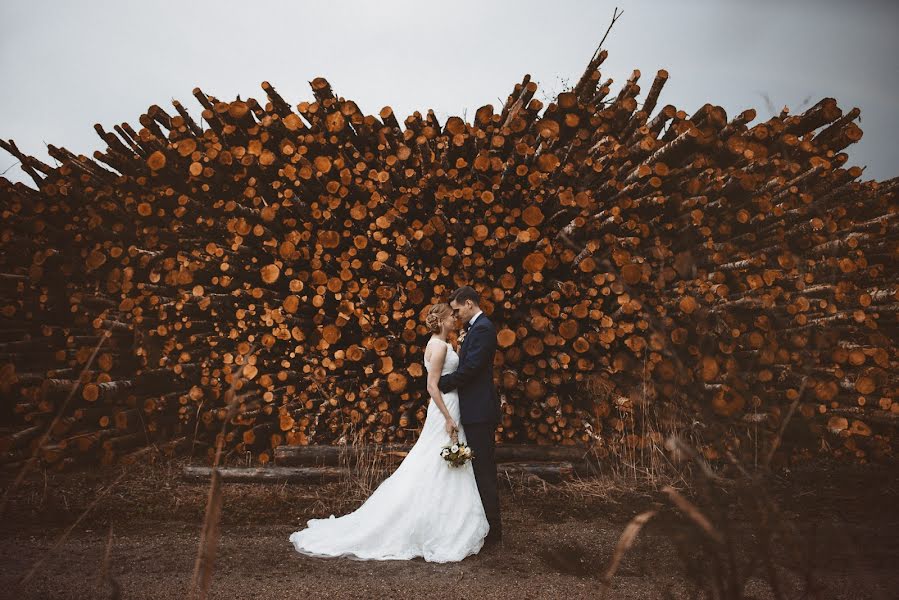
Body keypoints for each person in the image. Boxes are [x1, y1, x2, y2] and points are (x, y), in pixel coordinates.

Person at [288, 302, 489, 563]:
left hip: (453, 404)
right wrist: (449, 417)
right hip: (445, 407)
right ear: (440, 321)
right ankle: (429, 522)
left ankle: (444, 518)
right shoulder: (438, 347)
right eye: (451, 316)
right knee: (434, 460)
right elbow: (431, 386)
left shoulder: (444, 344)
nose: (455, 319)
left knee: (441, 460)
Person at [438, 285, 503, 548]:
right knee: (476, 470)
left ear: (468, 303)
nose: (456, 316)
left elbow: (473, 368)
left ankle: (494, 531)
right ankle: (482, 525)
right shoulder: (476, 328)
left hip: (480, 410)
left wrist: (442, 383)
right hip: (472, 408)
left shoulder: (484, 328)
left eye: (457, 310)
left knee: (484, 469)